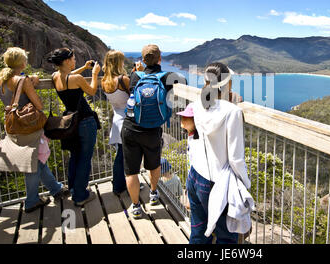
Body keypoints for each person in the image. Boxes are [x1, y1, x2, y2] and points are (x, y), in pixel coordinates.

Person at [0, 47, 70, 213]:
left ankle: (56, 189)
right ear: (22, 63)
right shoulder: (22, 81)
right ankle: (32, 201)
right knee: (33, 162)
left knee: (35, 160)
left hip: (12, 124)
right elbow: (39, 105)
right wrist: (28, 82)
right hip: (27, 126)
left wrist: (27, 79)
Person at [188, 62, 253, 244]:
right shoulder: (232, 112)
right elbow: (236, 158)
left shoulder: (198, 104)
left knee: (199, 233)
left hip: (195, 176)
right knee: (226, 238)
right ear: (227, 84)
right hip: (218, 184)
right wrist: (246, 183)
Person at [121, 44, 185, 219]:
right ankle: (154, 193)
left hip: (130, 127)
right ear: (160, 59)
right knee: (154, 164)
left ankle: (135, 206)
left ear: (142, 60)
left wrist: (138, 71)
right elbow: (183, 82)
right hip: (152, 130)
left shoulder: (135, 75)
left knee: (131, 171)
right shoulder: (167, 76)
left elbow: (132, 92)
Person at [47, 48, 101, 207]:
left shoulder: (55, 76)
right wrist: (95, 74)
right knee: (85, 158)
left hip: (71, 121)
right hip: (85, 120)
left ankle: (73, 189)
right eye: (73, 59)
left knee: (75, 156)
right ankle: (80, 195)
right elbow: (91, 90)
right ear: (66, 61)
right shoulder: (76, 78)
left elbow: (69, 77)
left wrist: (84, 68)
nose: (75, 61)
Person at [101, 50, 129, 195]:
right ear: (118, 62)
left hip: (117, 119)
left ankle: (119, 184)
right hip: (128, 120)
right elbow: (135, 94)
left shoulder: (104, 81)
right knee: (126, 157)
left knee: (120, 154)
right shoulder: (123, 79)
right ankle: (121, 186)